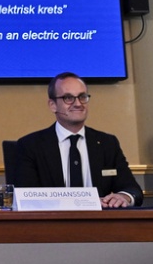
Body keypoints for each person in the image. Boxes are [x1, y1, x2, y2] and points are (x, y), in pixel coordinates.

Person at [14, 72, 143, 207]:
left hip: (99, 219)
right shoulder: (30, 145)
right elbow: (26, 196)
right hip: (52, 219)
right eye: (68, 98)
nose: (78, 104)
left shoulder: (107, 143)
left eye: (82, 97)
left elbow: (132, 189)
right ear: (53, 105)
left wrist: (124, 197)